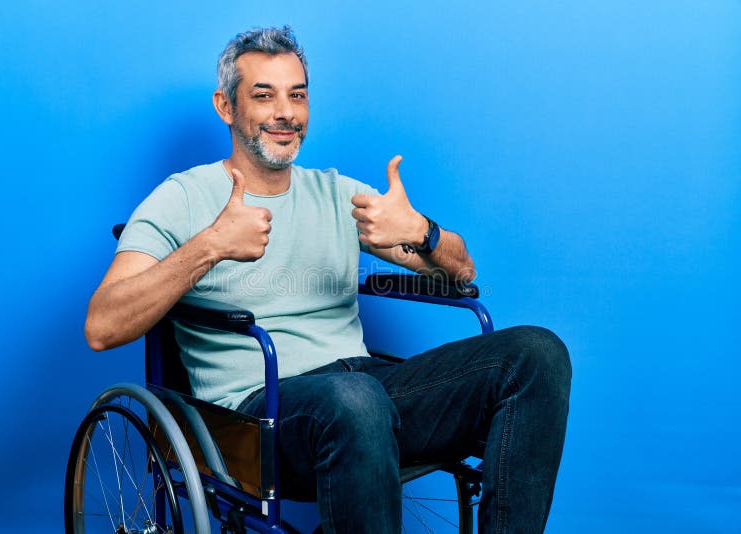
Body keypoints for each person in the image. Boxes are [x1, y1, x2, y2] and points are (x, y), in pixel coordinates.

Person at [85, 26, 571, 534]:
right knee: (355, 400)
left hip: (365, 390)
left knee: (538, 353)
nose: (286, 112)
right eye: (264, 95)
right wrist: (210, 245)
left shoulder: (338, 193)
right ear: (226, 107)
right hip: (261, 414)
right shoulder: (183, 198)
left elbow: (462, 272)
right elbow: (102, 325)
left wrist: (423, 234)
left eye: (297, 94)